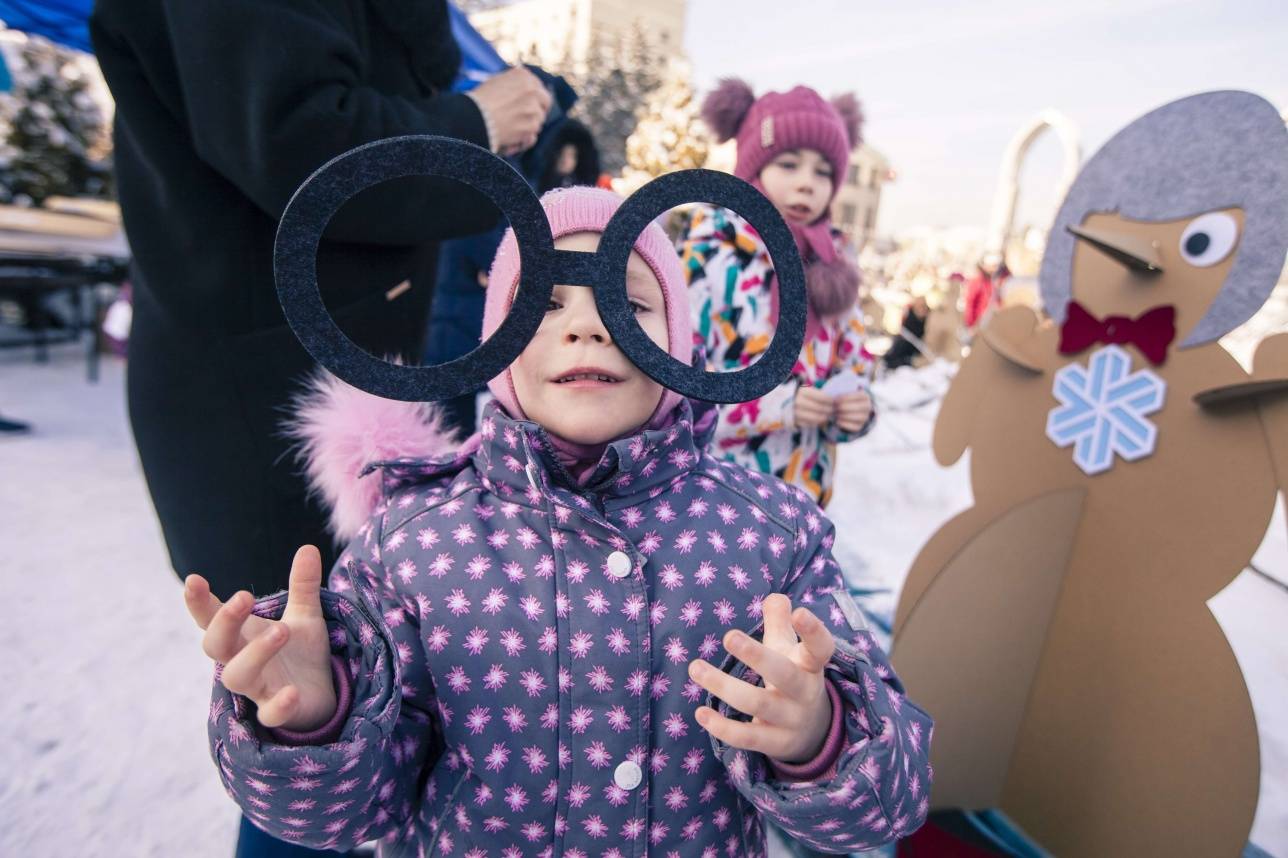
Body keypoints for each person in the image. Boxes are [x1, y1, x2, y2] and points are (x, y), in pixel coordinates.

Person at [183, 187, 932, 856]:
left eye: (630, 303)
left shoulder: (771, 535)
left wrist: (818, 734)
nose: (586, 327)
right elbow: (353, 814)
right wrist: (317, 719)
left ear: (683, 342)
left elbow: (885, 807)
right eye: (541, 306)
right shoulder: (413, 544)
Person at [90, 3, 554, 854]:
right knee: (313, 713)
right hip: (268, 398)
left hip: (330, 376)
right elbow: (296, 136)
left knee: (358, 706)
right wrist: (473, 124)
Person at [682, 79, 875, 507]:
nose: (808, 183)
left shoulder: (835, 266)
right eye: (789, 165)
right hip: (718, 502)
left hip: (802, 506)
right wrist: (778, 406)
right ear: (753, 170)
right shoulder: (711, 255)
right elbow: (679, 389)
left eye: (823, 171)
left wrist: (856, 407)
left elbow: (856, 361)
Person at [424, 119, 601, 438]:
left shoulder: (487, 196)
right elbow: (503, 263)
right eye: (564, 155)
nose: (568, 164)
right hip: (466, 329)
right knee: (457, 422)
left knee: (459, 419)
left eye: (573, 157)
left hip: (464, 326)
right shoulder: (493, 201)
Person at [883, 294, 930, 370]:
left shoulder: (927, 316)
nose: (921, 309)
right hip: (904, 340)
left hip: (914, 345)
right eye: (919, 305)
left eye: (923, 306)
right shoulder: (909, 312)